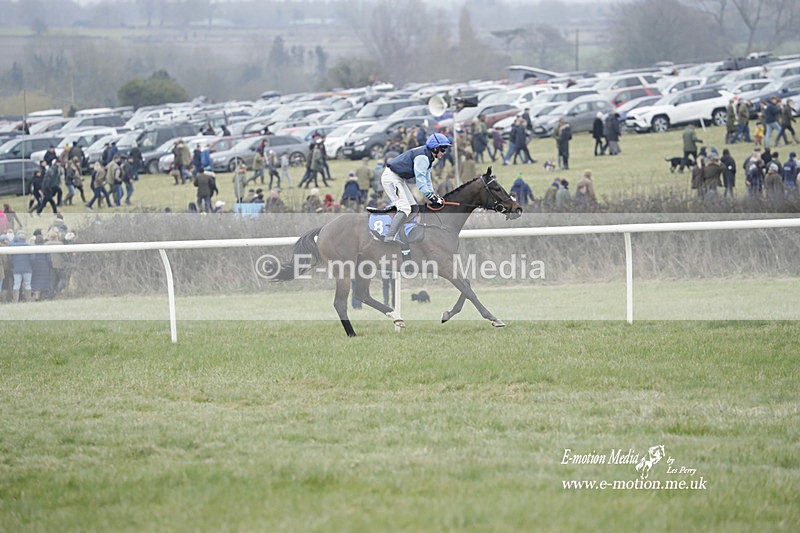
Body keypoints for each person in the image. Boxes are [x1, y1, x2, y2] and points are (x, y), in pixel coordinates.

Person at [379, 133, 449, 243]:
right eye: (443, 149)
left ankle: (401, 230)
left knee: (414, 207)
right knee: (405, 208)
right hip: (391, 179)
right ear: (435, 148)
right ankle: (389, 236)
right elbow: (420, 181)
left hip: (398, 178)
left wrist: (433, 195)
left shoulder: (428, 157)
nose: (444, 152)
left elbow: (427, 180)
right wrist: (431, 197)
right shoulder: (423, 158)